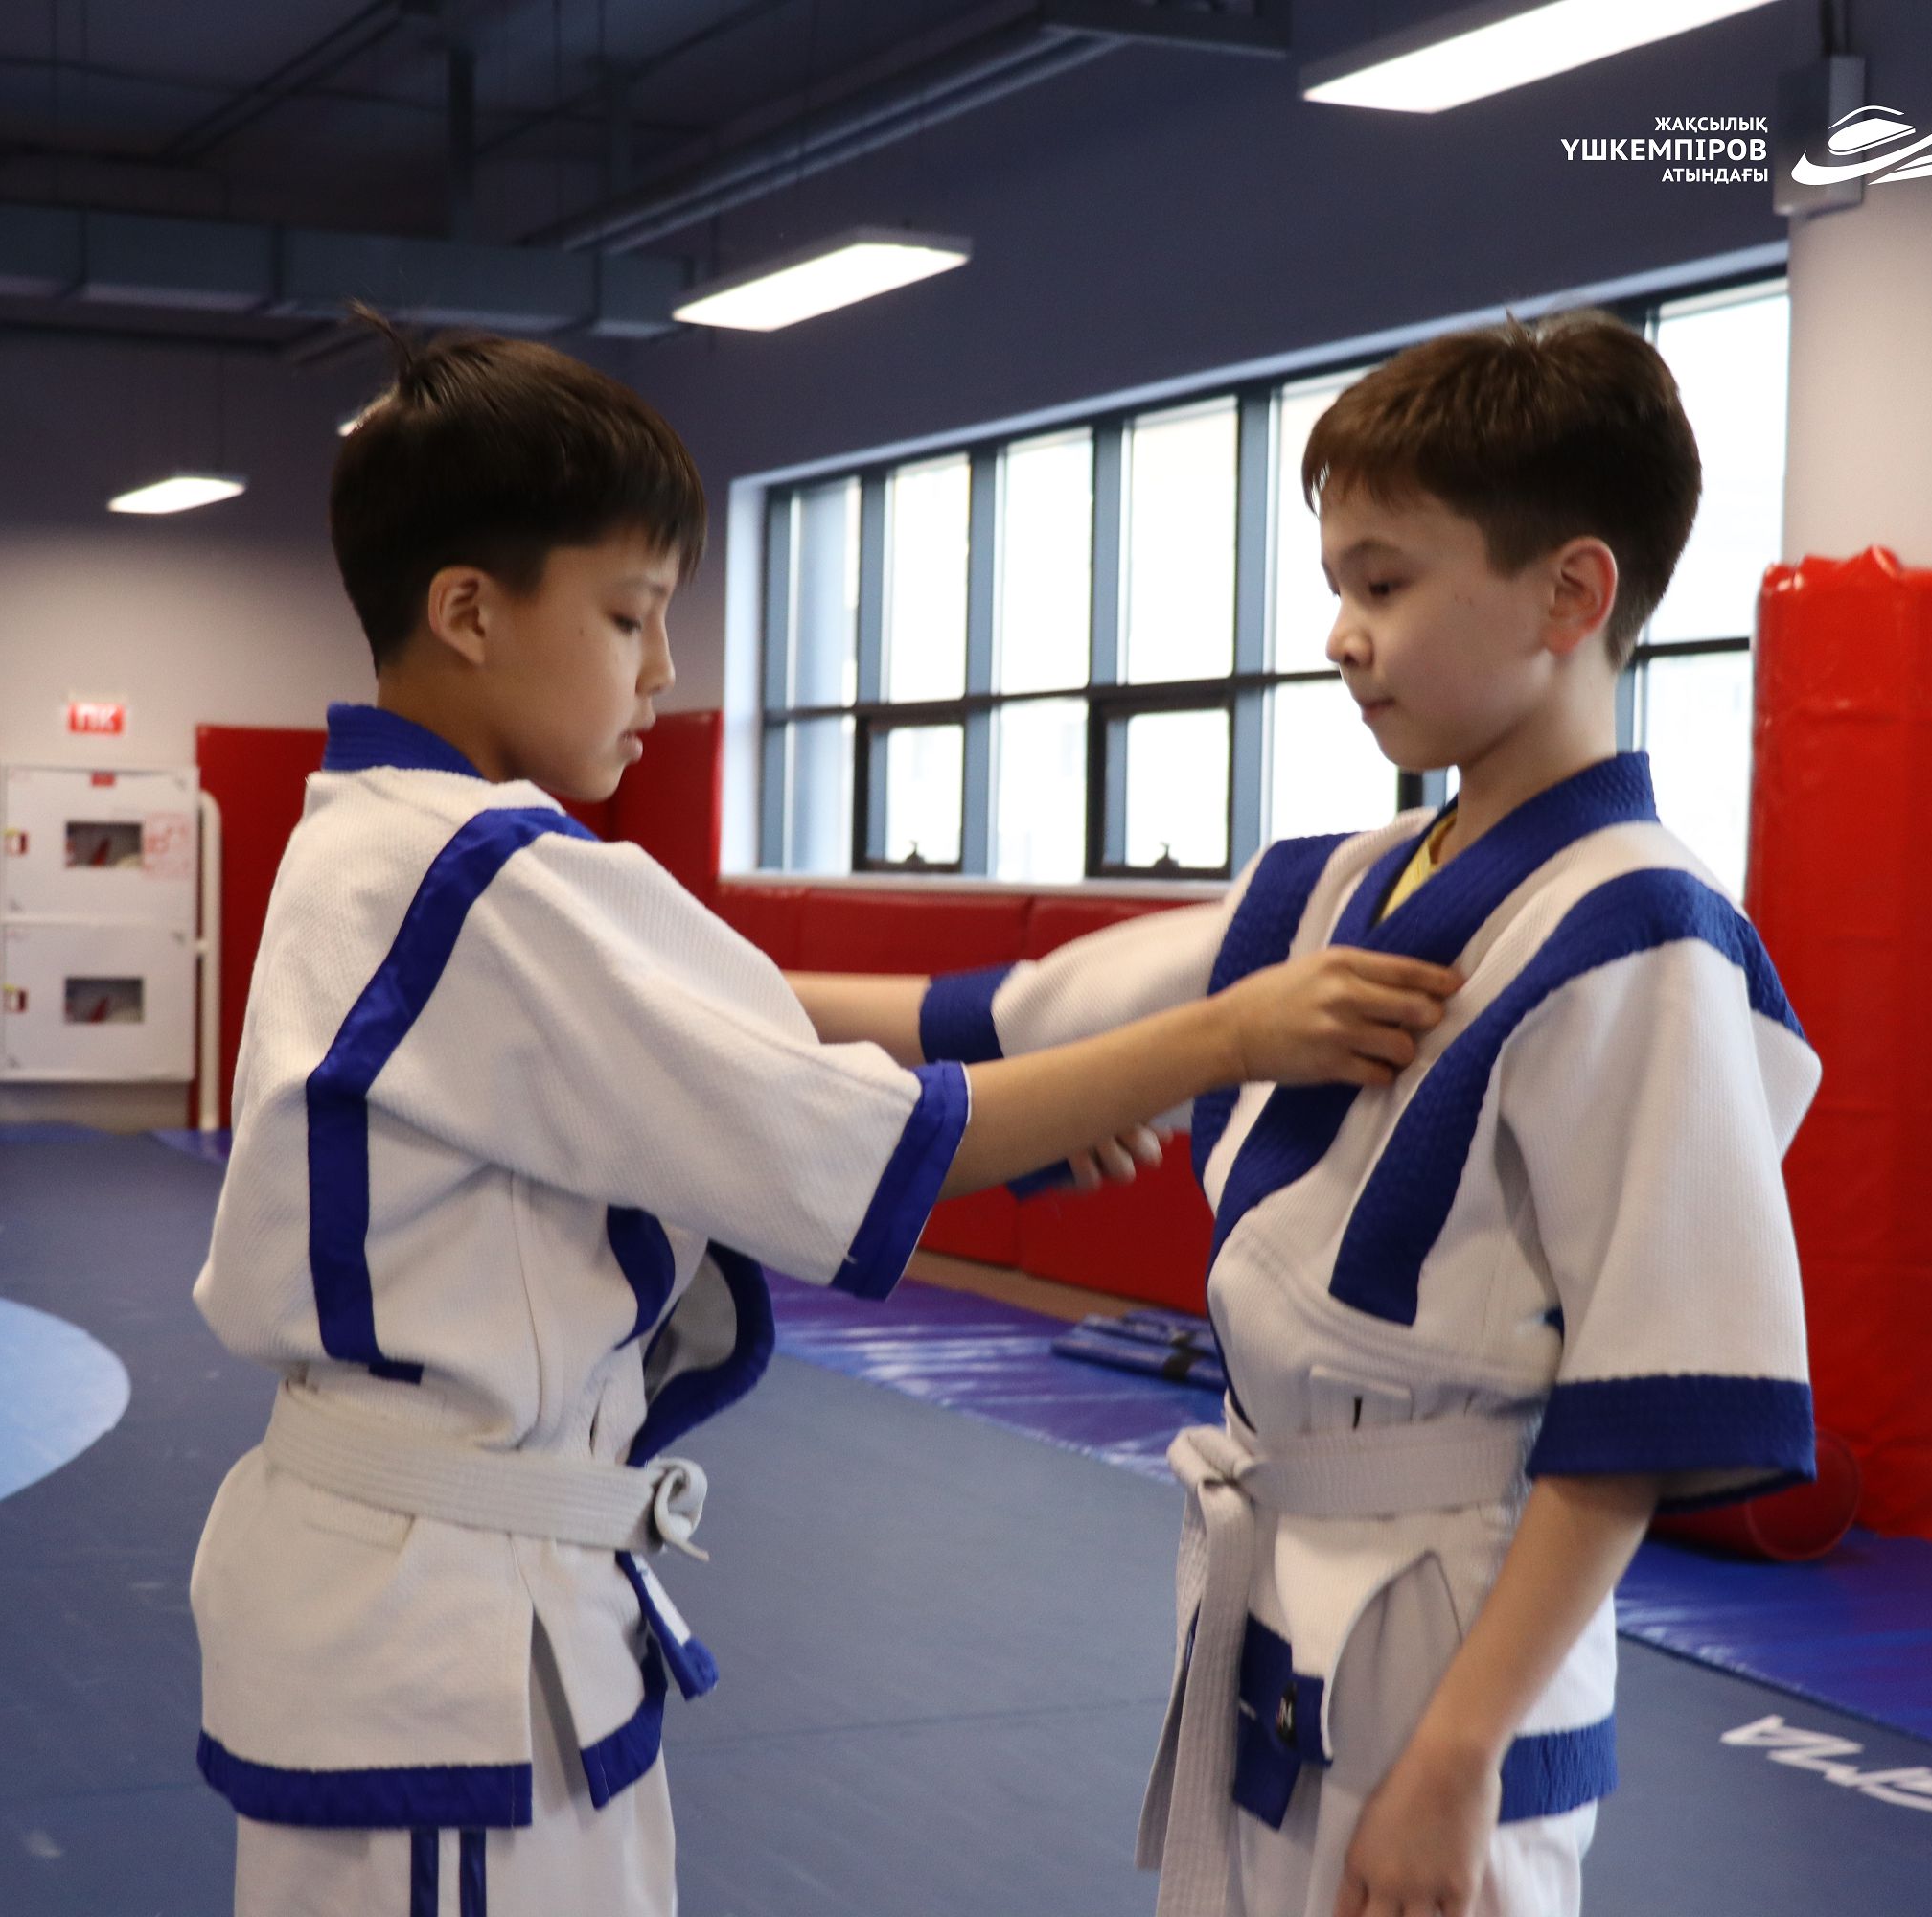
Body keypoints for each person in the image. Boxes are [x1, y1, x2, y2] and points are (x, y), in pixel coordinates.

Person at [186, 320, 1463, 1917]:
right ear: (468, 611)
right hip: (441, 1641)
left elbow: (748, 1030)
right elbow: (852, 1137)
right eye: (629, 615)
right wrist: (1231, 1033)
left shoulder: (395, 842)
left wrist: (1065, 1071)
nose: (663, 671)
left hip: (449, 1599)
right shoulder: (483, 874)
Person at [793, 312, 1820, 1917]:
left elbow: (1639, 1414)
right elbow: (996, 1024)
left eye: (1385, 585)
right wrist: (660, 974)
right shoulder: (1331, 890)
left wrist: (1460, 1759)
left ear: (1572, 593)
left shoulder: (1644, 930)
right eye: (1339, 584)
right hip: (1278, 1595)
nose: (1342, 635)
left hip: (1459, 1638)